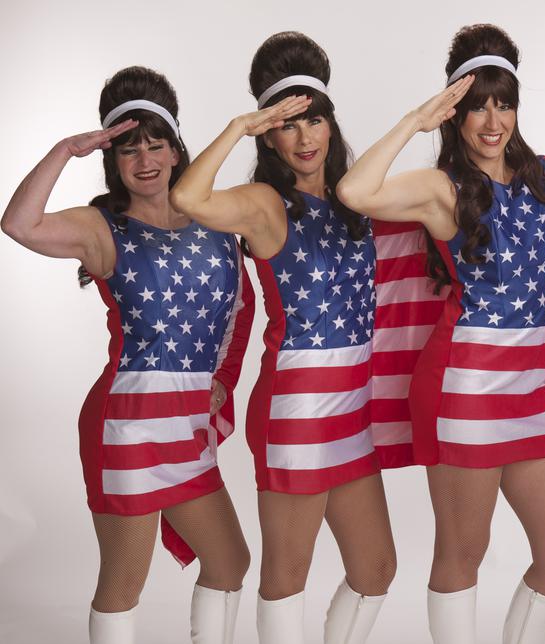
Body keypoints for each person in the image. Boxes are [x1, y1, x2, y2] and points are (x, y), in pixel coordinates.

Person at [337, 24, 545, 644]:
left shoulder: (541, 181)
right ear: (457, 114)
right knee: (462, 554)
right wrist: (415, 121)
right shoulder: (442, 188)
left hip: (529, 390)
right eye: (477, 106)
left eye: (504, 104)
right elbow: (354, 191)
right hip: (465, 388)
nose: (492, 121)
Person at [1, 66, 255, 644]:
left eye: (155, 144)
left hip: (186, 422)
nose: (144, 160)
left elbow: (241, 310)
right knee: (123, 582)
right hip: (127, 425)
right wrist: (66, 150)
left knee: (230, 561)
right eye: (128, 150)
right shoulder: (100, 228)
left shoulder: (216, 221)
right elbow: (18, 224)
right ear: (111, 161)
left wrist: (222, 379)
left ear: (176, 149)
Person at [170, 32, 396, 644]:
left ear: (331, 124)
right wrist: (240, 125)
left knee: (376, 569)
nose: (304, 138)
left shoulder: (355, 201)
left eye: (314, 120)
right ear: (270, 137)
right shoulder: (267, 204)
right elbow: (187, 197)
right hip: (296, 408)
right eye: (287, 125)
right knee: (287, 575)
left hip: (352, 407)